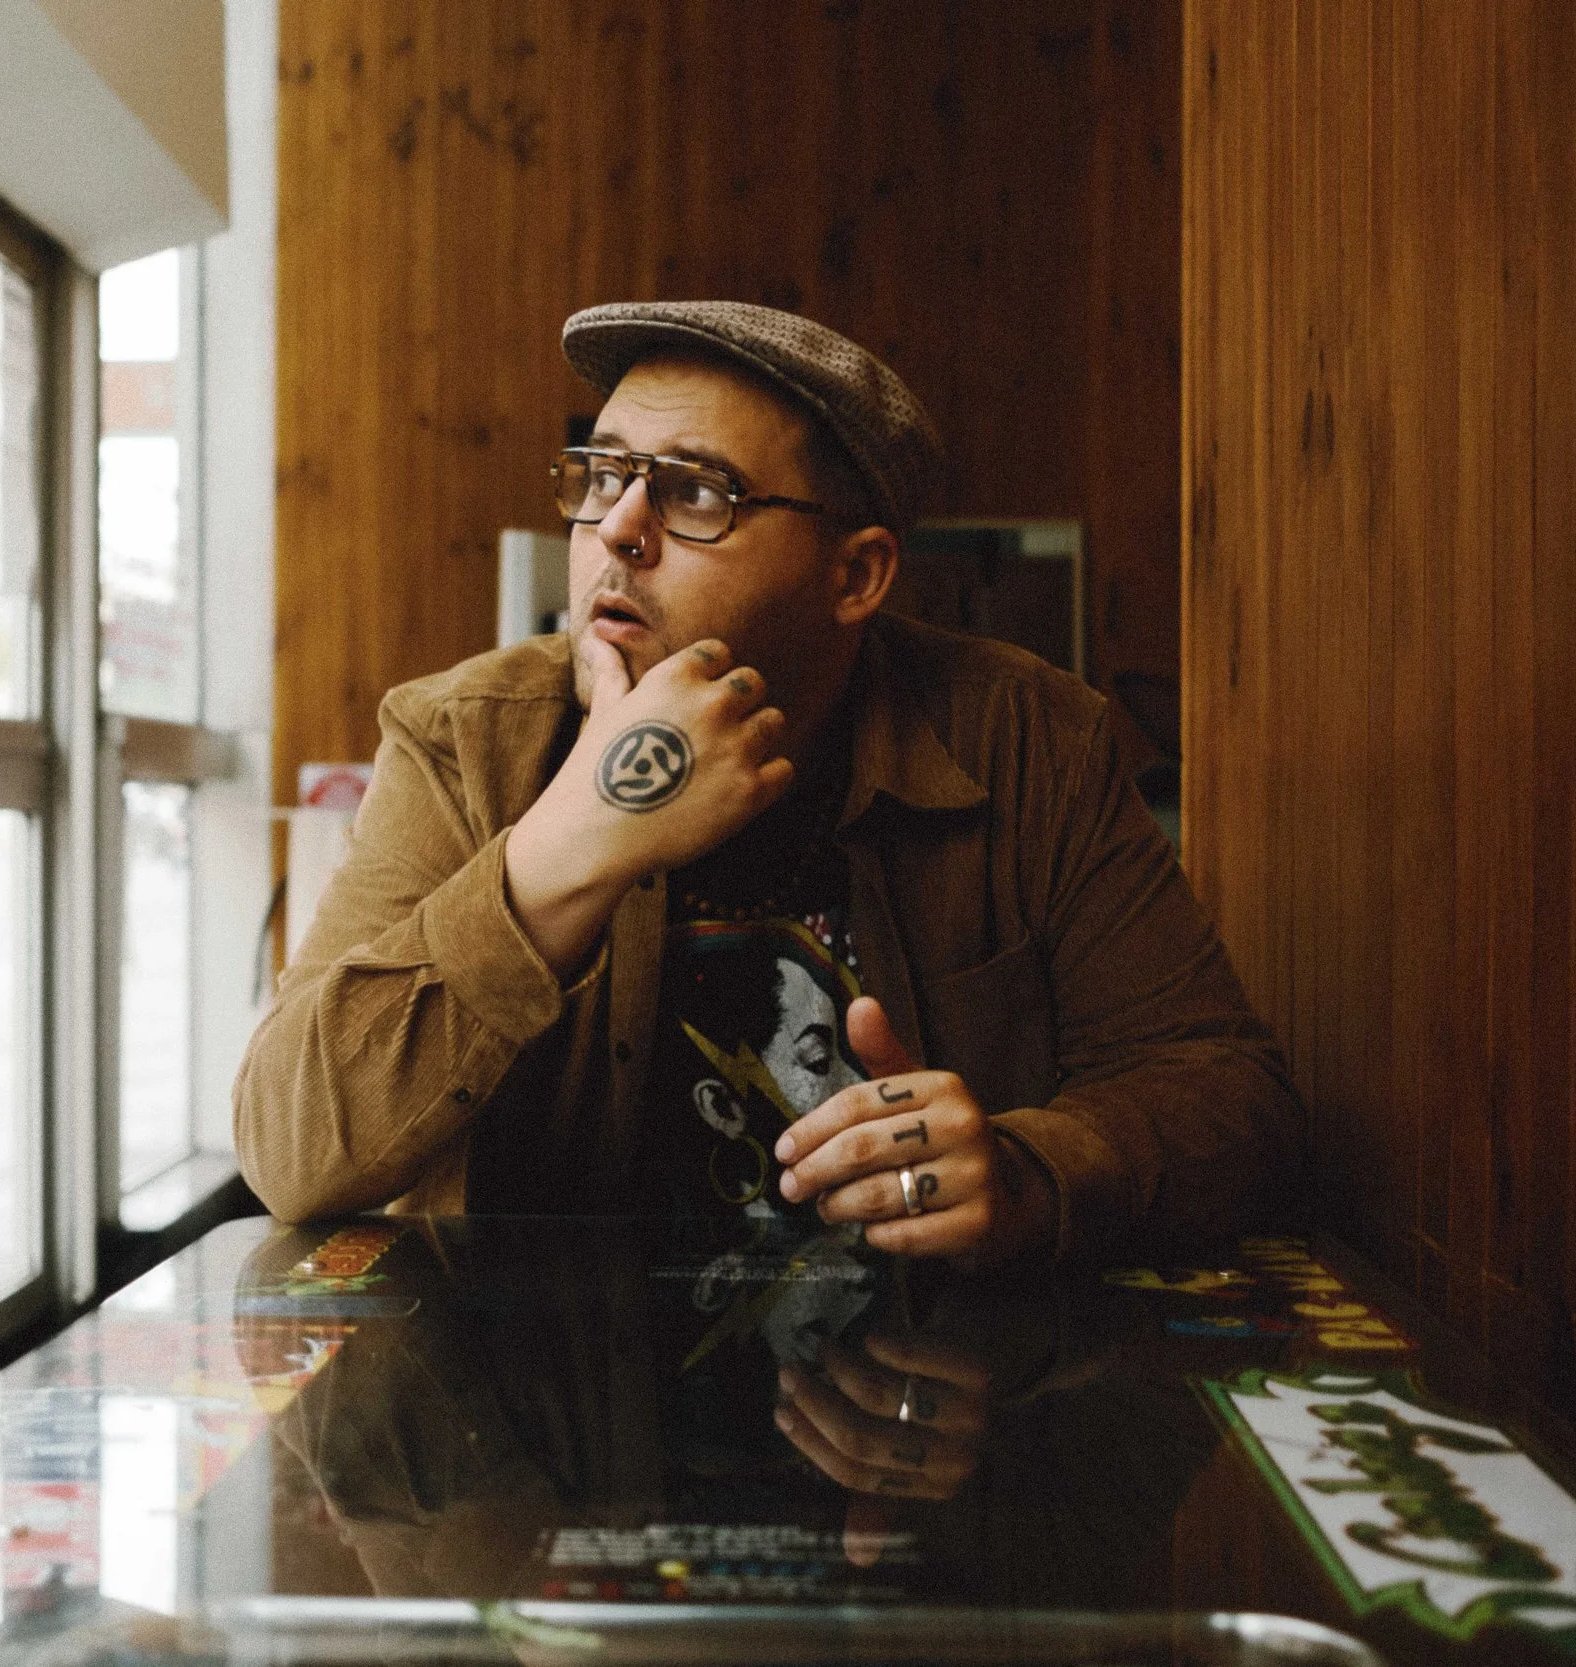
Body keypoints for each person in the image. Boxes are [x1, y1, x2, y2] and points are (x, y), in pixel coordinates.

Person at [233, 301, 1301, 1266]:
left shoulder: (1028, 737)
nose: (616, 528)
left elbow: (1228, 1098)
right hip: (544, 1426)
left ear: (854, 576)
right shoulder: (467, 738)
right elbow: (291, 1147)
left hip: (913, 1419)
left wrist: (1031, 1170)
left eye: (696, 491)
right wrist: (574, 835)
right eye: (602, 474)